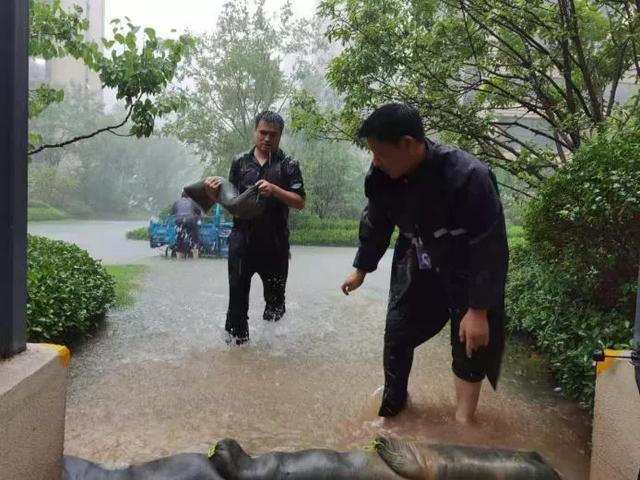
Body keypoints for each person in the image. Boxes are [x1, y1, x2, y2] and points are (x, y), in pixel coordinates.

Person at [341, 103, 509, 424]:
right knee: (398, 331)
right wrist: (362, 268)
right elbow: (376, 222)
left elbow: (491, 246)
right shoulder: (382, 176)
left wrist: (478, 310)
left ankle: (463, 424)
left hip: (468, 266)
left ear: (407, 144)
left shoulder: (469, 176)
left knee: (471, 343)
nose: (375, 160)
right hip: (419, 260)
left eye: (379, 152)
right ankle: (394, 408)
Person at [205, 111, 305, 345]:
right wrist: (213, 194)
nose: (267, 139)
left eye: (273, 134)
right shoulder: (240, 161)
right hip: (242, 241)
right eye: (263, 133)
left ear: (280, 136)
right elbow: (232, 203)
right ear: (255, 132)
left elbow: (300, 202)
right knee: (237, 299)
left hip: (275, 243)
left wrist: (275, 190)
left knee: (276, 302)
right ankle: (237, 352)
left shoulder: (289, 164)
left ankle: (272, 349)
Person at [171, 192, 202, 257]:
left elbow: (173, 212)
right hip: (190, 220)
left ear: (181, 196)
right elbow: (198, 212)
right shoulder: (193, 202)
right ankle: (195, 250)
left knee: (179, 236)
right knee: (194, 234)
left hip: (179, 221)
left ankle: (179, 253)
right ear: (189, 196)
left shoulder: (176, 202)